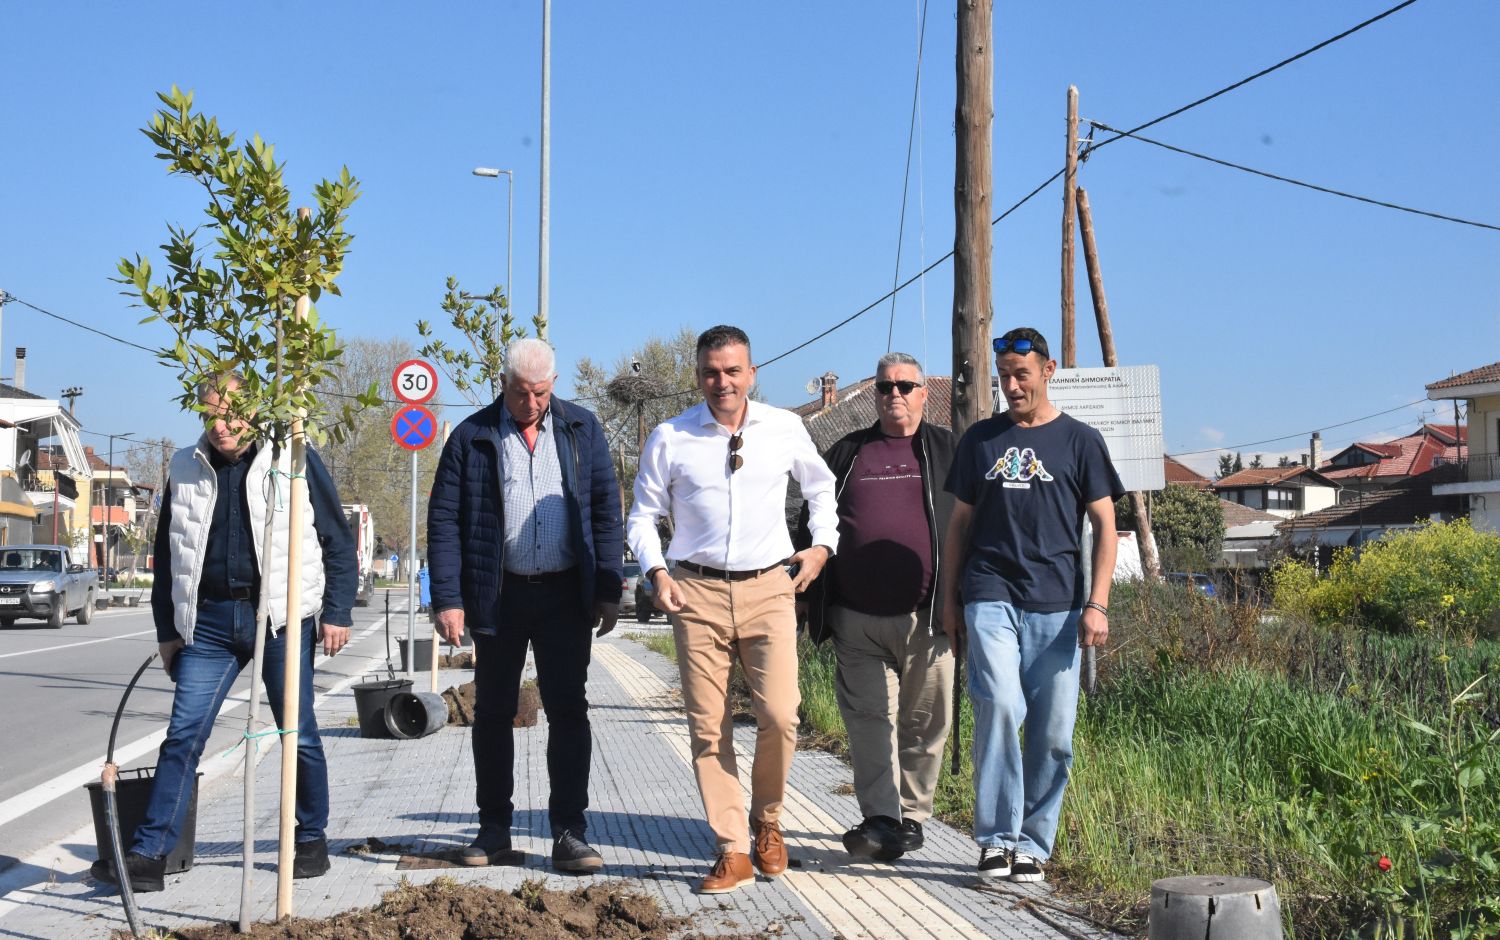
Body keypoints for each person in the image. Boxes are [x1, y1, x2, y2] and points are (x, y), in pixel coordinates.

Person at [102, 371, 355, 893]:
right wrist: (168, 629)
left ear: (255, 411)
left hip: (281, 617)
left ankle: (310, 838)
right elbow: (168, 555)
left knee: (298, 732)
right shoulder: (184, 466)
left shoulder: (293, 457)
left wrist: (337, 611)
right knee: (183, 736)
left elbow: (336, 537)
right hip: (211, 623)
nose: (221, 425)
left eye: (232, 413)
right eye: (211, 414)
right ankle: (149, 854)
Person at [628, 325, 839, 894]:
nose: (721, 381)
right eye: (710, 372)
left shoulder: (784, 427)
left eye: (731, 371)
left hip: (770, 587)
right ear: (698, 376)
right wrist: (657, 572)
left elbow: (821, 489)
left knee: (782, 715)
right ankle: (732, 848)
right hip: (695, 592)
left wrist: (822, 546)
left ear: (752, 373)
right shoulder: (671, 437)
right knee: (708, 725)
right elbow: (642, 515)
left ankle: (767, 820)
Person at [427, 337, 622, 873]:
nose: (530, 403)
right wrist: (448, 598)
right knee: (492, 712)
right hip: (499, 595)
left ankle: (570, 832)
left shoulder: (582, 429)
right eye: (519, 392)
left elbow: (605, 508)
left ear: (553, 384)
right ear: (504, 384)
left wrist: (608, 589)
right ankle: (493, 830)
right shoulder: (471, 436)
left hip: (565, 594)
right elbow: (444, 520)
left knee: (568, 710)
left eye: (539, 392)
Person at [940, 327, 1123, 884]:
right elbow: (959, 525)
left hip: (1059, 603)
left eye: (1022, 375)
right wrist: (949, 599)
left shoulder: (1081, 441)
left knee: (1052, 732)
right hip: (990, 592)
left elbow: (1106, 526)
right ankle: (997, 839)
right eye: (1004, 378)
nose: (1012, 386)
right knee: (998, 703)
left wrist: (1098, 603)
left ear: (1048, 371)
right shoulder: (981, 439)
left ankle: (1033, 844)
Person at [800, 352, 956, 863]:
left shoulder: (949, 451)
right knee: (868, 721)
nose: (895, 395)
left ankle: (912, 817)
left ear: (923, 393)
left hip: (927, 618)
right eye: (886, 387)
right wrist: (806, 596)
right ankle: (881, 819)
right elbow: (810, 520)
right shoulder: (846, 453)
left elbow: (973, 525)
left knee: (925, 722)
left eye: (905, 386)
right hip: (855, 618)